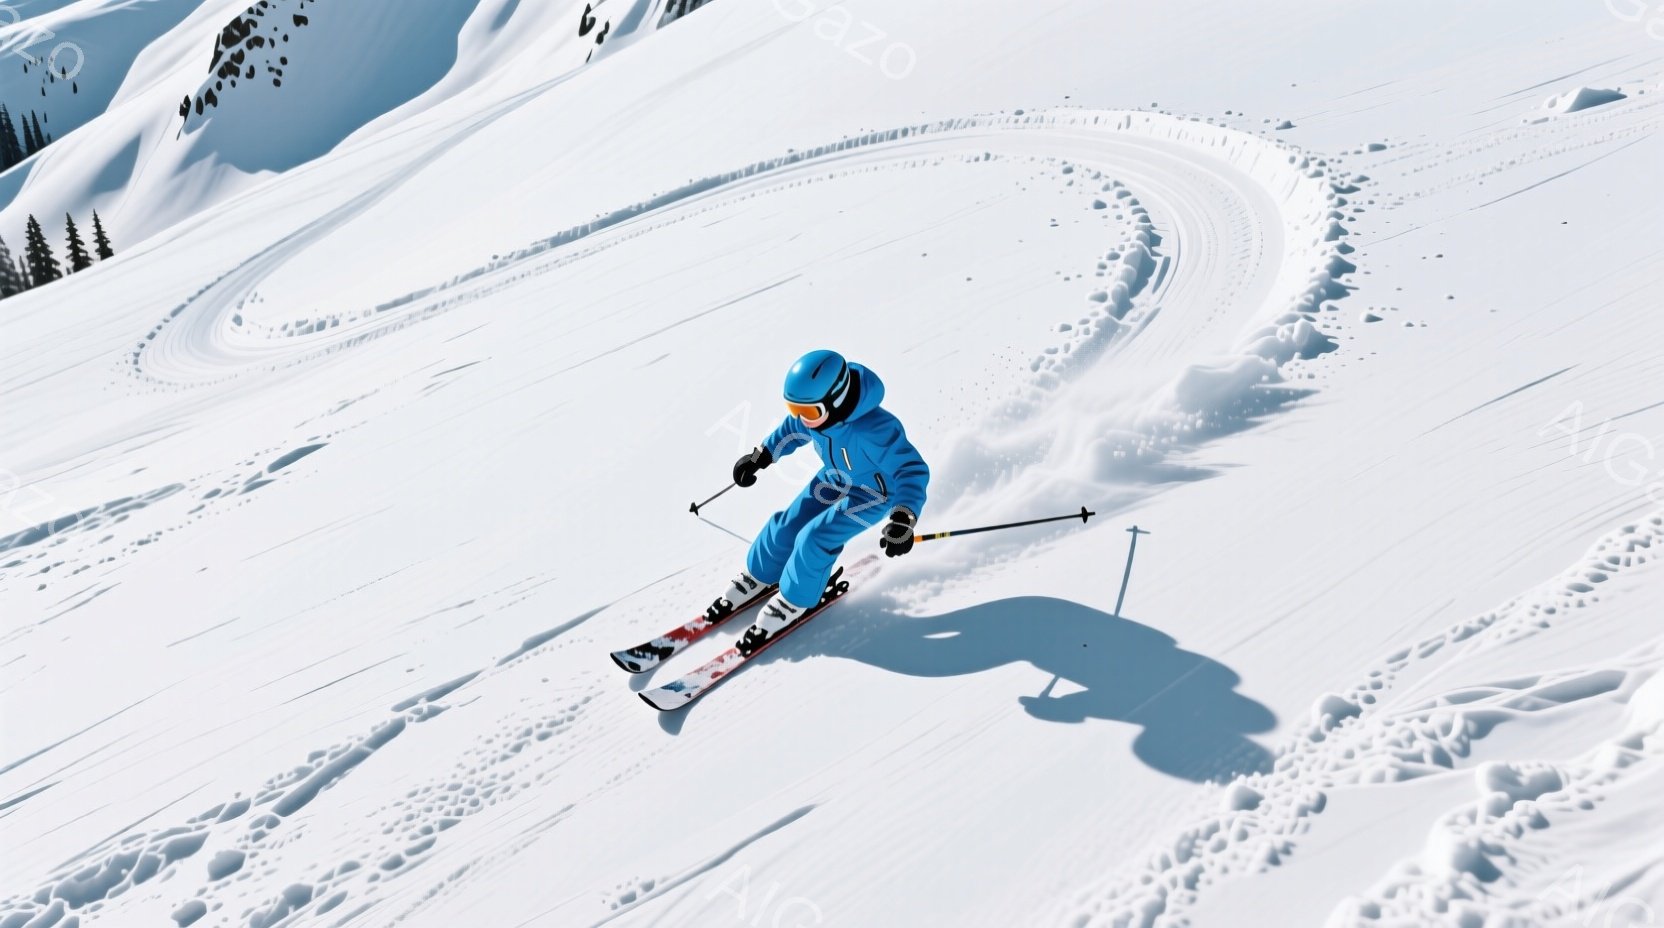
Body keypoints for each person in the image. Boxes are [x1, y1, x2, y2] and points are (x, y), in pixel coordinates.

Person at [717, 349, 929, 654]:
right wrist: (761, 456)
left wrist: (903, 518)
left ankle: (795, 600)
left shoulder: (877, 429)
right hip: (835, 477)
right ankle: (760, 575)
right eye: (795, 408)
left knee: (814, 538)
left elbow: (911, 471)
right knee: (788, 523)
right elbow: (790, 431)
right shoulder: (813, 417)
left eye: (810, 412)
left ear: (837, 399)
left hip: (873, 494)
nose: (803, 419)